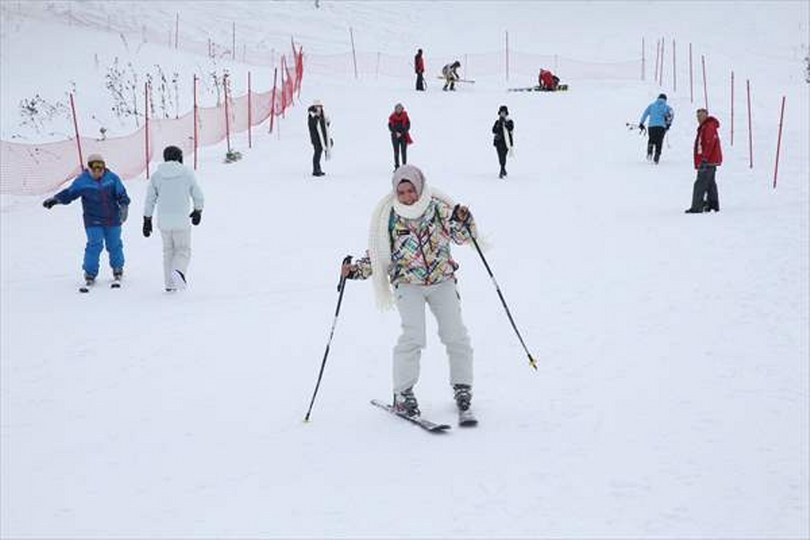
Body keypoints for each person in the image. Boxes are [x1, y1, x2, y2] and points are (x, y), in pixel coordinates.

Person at [341, 164, 478, 422]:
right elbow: (379, 255)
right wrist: (354, 271)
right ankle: (403, 393)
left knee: (456, 335)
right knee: (413, 337)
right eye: (401, 191)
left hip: (442, 281)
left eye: (411, 190)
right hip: (408, 284)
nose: (406, 196)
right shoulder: (390, 216)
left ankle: (463, 388)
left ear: (420, 187)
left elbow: (462, 237)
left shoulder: (437, 208)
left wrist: (463, 218)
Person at [42, 153, 130, 287]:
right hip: (93, 219)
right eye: (94, 168)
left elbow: (122, 194)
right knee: (94, 245)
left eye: (100, 167)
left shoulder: (112, 179)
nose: (98, 171)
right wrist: (56, 199)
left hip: (112, 218)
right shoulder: (82, 181)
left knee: (114, 244)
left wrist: (124, 207)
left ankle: (117, 268)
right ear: (89, 168)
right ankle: (90, 272)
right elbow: (69, 193)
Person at [142, 145, 205, 291]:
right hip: (181, 220)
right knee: (183, 249)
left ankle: (169, 284)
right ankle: (179, 271)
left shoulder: (157, 175)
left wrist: (147, 219)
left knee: (168, 251)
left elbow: (150, 199)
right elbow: (198, 194)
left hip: (164, 221)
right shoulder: (187, 173)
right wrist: (197, 211)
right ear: (179, 157)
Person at [686, 108, 722, 213]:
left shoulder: (709, 126)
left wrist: (704, 158)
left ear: (706, 115)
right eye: (697, 116)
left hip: (708, 160)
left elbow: (709, 142)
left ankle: (697, 206)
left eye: (701, 116)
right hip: (709, 160)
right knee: (710, 183)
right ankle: (713, 205)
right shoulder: (705, 126)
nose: (699, 118)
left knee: (700, 183)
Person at [639, 93, 674, 164]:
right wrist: (668, 124)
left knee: (651, 138)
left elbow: (645, 114)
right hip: (661, 127)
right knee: (659, 141)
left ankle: (649, 152)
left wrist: (641, 123)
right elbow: (671, 114)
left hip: (651, 126)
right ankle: (657, 156)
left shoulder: (651, 106)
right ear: (665, 100)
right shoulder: (667, 107)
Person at [307, 100, 332, 177]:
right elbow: (313, 124)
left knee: (319, 153)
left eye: (320, 106)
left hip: (321, 139)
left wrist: (327, 122)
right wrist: (317, 117)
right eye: (317, 106)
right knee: (317, 153)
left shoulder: (322, 115)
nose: (319, 108)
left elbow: (324, 127)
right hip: (316, 139)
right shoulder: (312, 116)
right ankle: (315, 170)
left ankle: (318, 169)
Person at [492, 105, 514, 179]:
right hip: (498, 142)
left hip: (506, 143)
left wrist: (505, 123)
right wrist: (499, 124)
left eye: (504, 112)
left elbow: (511, 128)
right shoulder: (497, 122)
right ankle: (502, 169)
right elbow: (494, 130)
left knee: (503, 156)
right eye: (501, 112)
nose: (503, 114)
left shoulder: (509, 121)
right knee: (500, 156)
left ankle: (502, 169)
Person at [388, 102, 412, 170]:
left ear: (402, 109)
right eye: (397, 108)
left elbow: (408, 125)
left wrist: (401, 133)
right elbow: (390, 126)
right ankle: (397, 167)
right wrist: (396, 132)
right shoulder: (392, 117)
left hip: (403, 136)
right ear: (395, 109)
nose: (399, 110)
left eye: (400, 108)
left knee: (403, 151)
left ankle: (404, 166)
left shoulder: (405, 116)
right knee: (396, 152)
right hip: (395, 136)